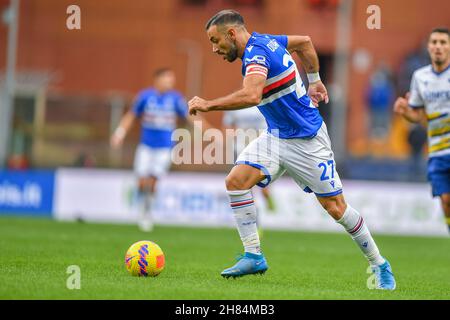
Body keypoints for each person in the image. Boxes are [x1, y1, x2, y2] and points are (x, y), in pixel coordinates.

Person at [188, 9, 395, 290]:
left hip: (308, 141)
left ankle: (379, 263)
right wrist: (315, 79)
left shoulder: (256, 55)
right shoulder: (269, 41)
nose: (214, 48)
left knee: (336, 209)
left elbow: (252, 94)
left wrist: (207, 104)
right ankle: (253, 255)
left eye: (216, 40)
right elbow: (305, 42)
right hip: (276, 137)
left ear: (232, 34)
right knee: (235, 181)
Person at [111, 68, 189, 232]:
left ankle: (147, 213)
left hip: (165, 148)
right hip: (146, 146)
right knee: (141, 181)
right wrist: (119, 133)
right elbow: (131, 115)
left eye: (171, 79)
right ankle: (140, 209)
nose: (170, 82)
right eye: (167, 78)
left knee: (153, 181)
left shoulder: (175, 99)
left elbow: (191, 116)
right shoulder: (145, 96)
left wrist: (209, 131)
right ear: (158, 80)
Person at [394, 27, 450, 234]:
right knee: (445, 200)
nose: (438, 46)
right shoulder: (420, 77)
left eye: (443, 42)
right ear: (428, 47)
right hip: (437, 149)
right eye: (434, 42)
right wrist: (405, 111)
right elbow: (417, 115)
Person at [223, 108, 276, 213]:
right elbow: (228, 125)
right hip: (242, 148)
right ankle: (253, 214)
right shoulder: (235, 104)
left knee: (264, 186)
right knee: (246, 185)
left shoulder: (262, 99)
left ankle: (269, 201)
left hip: (263, 147)